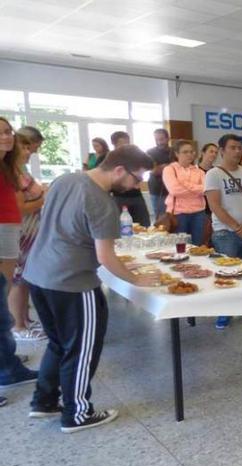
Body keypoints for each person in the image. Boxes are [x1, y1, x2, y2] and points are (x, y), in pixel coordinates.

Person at [24, 145, 159, 432]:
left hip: (38, 275)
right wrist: (137, 280)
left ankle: (44, 401)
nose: (138, 184)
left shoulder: (67, 179)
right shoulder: (102, 203)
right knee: (82, 349)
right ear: (119, 170)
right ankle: (78, 413)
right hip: (72, 282)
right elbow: (106, 257)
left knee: (59, 343)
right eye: (137, 178)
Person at [205, 134, 242, 329]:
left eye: (239, 148)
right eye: (233, 148)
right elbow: (214, 205)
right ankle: (224, 311)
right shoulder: (214, 174)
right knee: (226, 273)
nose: (237, 151)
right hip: (225, 233)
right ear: (222, 151)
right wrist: (237, 227)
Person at [0, 118, 38, 408]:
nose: (7, 136)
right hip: (5, 230)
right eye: (1, 132)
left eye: (8, 131)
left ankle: (7, 362)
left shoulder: (8, 167)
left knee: (3, 298)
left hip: (9, 231)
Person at [9, 130, 47, 342]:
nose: (29, 151)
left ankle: (25, 318)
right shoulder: (12, 174)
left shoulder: (20, 170)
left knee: (25, 278)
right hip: (21, 233)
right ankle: (18, 325)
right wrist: (44, 198)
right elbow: (20, 208)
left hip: (31, 232)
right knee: (18, 281)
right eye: (24, 147)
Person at [162, 139, 206, 246]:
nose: (190, 155)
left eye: (192, 152)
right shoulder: (170, 169)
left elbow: (205, 189)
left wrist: (185, 184)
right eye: (185, 152)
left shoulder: (199, 171)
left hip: (198, 212)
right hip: (178, 213)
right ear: (177, 154)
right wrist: (196, 189)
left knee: (197, 246)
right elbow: (174, 190)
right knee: (180, 246)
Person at [110, 131, 150, 227]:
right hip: (119, 197)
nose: (126, 145)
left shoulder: (134, 157)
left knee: (144, 225)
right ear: (114, 144)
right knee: (122, 227)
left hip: (136, 196)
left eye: (128, 142)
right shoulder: (110, 159)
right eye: (123, 143)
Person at [146, 129, 172, 220]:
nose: (159, 142)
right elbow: (154, 170)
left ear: (168, 138)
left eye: (162, 139)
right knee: (161, 220)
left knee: (175, 219)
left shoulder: (174, 151)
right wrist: (171, 167)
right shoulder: (150, 152)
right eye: (156, 140)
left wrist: (163, 167)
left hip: (174, 190)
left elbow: (182, 168)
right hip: (157, 190)